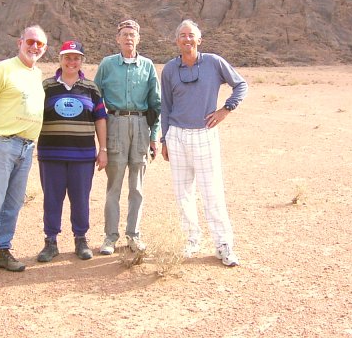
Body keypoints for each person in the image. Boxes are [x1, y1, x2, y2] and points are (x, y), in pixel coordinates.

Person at [160, 19, 247, 267]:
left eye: (191, 36)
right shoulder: (169, 69)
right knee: (183, 193)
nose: (187, 39)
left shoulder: (213, 63)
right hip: (177, 135)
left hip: (204, 134)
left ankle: (223, 244)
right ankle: (191, 239)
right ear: (177, 41)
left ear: (199, 40)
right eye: (182, 36)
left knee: (212, 191)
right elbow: (165, 105)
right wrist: (165, 138)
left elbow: (240, 85)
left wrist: (225, 110)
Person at [0, 25, 48, 284]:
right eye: (31, 41)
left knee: (13, 203)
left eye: (40, 44)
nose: (35, 47)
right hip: (1, 144)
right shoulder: (2, 69)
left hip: (26, 148)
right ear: (20, 42)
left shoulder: (36, 74)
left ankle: (2, 250)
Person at [35, 40, 108, 262]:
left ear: (82, 61)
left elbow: (101, 119)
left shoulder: (91, 88)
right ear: (60, 59)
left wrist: (102, 149)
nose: (71, 61)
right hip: (51, 154)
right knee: (52, 199)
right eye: (67, 57)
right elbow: (34, 115)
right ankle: (50, 242)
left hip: (83, 156)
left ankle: (81, 239)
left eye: (76, 57)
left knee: (81, 199)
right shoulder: (46, 87)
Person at [94, 19, 161, 255]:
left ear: (138, 38)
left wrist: (153, 136)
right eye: (124, 34)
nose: (128, 38)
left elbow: (156, 104)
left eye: (132, 34)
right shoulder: (107, 65)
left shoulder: (148, 66)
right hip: (115, 124)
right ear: (117, 39)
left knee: (137, 187)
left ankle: (133, 236)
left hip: (141, 125)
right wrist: (100, 140)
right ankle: (110, 237)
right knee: (114, 187)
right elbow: (95, 99)